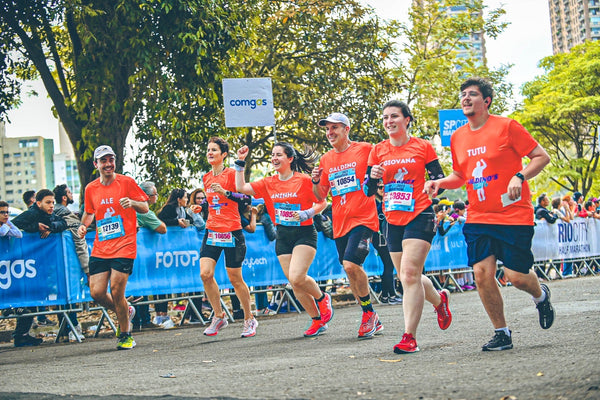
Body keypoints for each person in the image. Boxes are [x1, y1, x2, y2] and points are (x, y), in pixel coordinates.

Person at [424, 77, 555, 351]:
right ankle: (502, 332)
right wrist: (439, 183)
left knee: (516, 276)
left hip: (513, 214)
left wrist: (519, 176)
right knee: (482, 274)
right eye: (463, 95)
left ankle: (541, 295)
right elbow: (460, 176)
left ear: (487, 101)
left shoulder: (507, 127)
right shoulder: (459, 137)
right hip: (479, 217)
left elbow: (541, 156)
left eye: (472, 94)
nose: (466, 98)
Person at [366, 100, 452, 354]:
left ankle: (409, 336)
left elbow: (440, 180)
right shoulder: (377, 151)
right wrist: (373, 177)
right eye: (385, 118)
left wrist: (433, 185)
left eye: (394, 116)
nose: (389, 121)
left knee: (411, 274)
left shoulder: (422, 147)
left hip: (420, 213)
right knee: (406, 275)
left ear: (407, 120)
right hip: (392, 218)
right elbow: (368, 190)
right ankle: (440, 301)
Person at [235, 142, 332, 337]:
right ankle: (316, 320)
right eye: (272, 155)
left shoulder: (304, 180)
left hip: (304, 233)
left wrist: (308, 213)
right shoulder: (268, 182)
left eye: (279, 154)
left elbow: (323, 201)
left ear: (290, 159)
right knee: (294, 283)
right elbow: (241, 187)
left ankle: (323, 298)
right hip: (283, 236)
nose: (274, 158)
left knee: (297, 277)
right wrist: (240, 162)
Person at [311, 112, 383, 339]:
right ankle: (370, 315)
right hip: (339, 221)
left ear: (346, 129)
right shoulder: (326, 159)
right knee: (349, 269)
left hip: (363, 218)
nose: (330, 133)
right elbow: (321, 195)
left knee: (351, 265)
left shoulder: (365, 149)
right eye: (327, 129)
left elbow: (379, 174)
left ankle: (368, 314)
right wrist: (315, 181)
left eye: (335, 128)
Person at [77, 145, 149, 350]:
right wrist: (83, 226)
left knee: (117, 290)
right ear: (96, 164)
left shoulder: (126, 182)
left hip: (124, 244)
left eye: (111, 159)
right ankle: (126, 310)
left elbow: (145, 207)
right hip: (101, 247)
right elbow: (90, 213)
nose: (108, 164)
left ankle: (126, 335)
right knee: (97, 292)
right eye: (103, 160)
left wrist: (132, 203)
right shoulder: (91, 188)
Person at [189, 137, 258, 338]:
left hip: (232, 231)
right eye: (208, 150)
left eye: (214, 150)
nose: (210, 153)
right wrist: (200, 207)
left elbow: (246, 198)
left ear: (224, 155)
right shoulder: (206, 177)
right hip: (212, 230)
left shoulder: (232, 174)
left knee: (235, 278)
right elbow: (213, 203)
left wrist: (227, 192)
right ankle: (218, 316)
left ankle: (249, 318)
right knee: (205, 274)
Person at [53, 184, 90, 342]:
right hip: (68, 263)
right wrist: (88, 269)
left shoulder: (56, 212)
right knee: (69, 295)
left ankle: (63, 330)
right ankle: (73, 327)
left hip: (56, 263)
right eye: (69, 192)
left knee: (62, 296)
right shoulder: (64, 213)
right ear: (64, 197)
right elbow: (79, 241)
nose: (71, 194)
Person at [0, 201, 40, 347]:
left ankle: (21, 335)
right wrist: (7, 226)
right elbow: (4, 232)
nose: (6, 215)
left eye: (7, 212)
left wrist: (8, 223)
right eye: (2, 212)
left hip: (9, 270)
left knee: (26, 304)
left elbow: (18, 234)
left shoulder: (7, 223)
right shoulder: (4, 226)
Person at [133, 181, 166, 330]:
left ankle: (136, 321)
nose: (157, 197)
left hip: (134, 254)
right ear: (146, 196)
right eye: (155, 194)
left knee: (135, 289)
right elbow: (162, 228)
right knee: (141, 287)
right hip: (140, 255)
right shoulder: (143, 211)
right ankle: (144, 320)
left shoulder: (133, 208)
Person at [374, 183, 403, 304]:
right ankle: (391, 295)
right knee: (389, 265)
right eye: (380, 187)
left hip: (385, 235)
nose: (382, 189)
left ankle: (385, 295)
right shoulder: (375, 202)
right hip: (380, 237)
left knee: (388, 265)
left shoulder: (381, 201)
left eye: (384, 187)